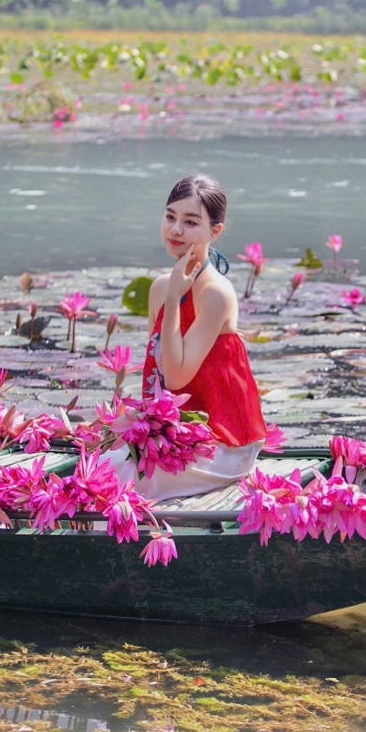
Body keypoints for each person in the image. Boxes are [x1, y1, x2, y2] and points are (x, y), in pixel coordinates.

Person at [117, 172, 267, 501]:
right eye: (170, 217)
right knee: (103, 468)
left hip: (225, 446)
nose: (175, 230)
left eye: (190, 222)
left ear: (215, 231)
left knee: (122, 482)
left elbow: (175, 376)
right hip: (177, 438)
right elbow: (156, 375)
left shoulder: (216, 294)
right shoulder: (160, 288)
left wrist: (175, 298)